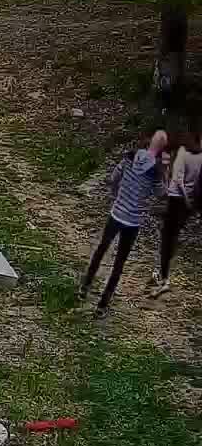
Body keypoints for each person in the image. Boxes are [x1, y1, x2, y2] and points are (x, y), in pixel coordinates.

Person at [82, 129, 171, 315]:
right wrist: (165, 170)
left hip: (116, 214)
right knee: (119, 263)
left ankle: (85, 286)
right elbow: (162, 194)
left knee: (101, 249)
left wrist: (116, 195)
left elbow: (113, 178)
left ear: (148, 142)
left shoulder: (129, 158)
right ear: (162, 149)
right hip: (133, 222)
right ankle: (102, 305)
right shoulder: (155, 172)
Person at [153, 131, 202, 297]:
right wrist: (192, 202)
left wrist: (186, 199)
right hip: (187, 203)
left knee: (167, 238)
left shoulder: (182, 151)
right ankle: (162, 273)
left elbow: (178, 179)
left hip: (177, 199)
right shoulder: (199, 155)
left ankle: (164, 277)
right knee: (172, 237)